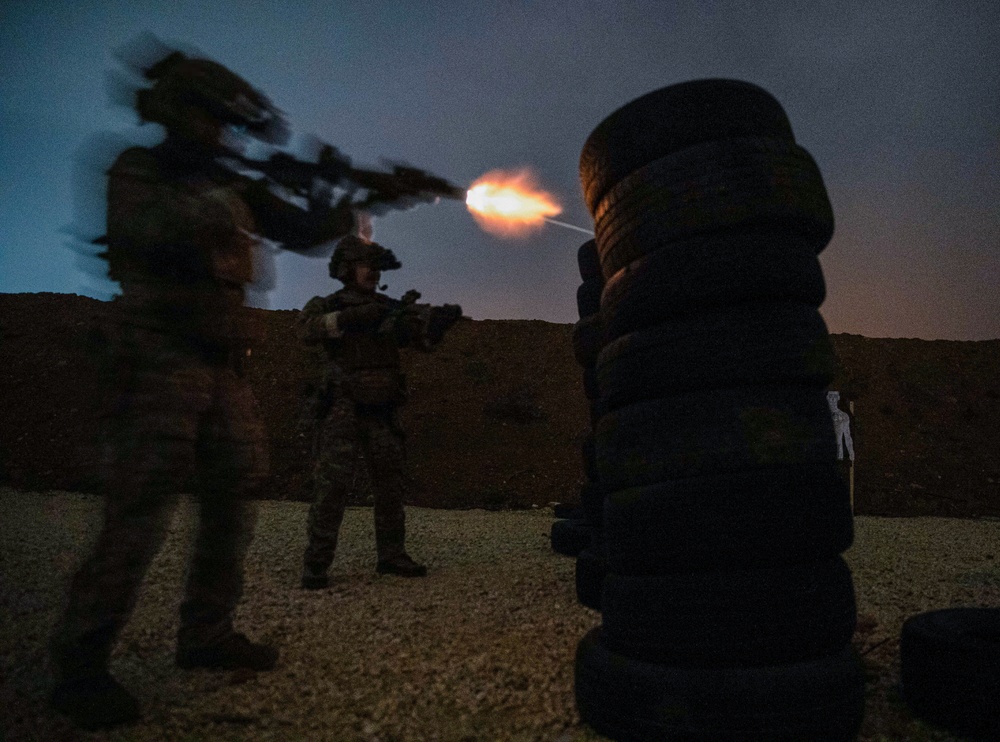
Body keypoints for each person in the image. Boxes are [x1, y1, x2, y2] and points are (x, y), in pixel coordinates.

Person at [50, 48, 355, 730]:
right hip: (157, 354)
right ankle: (80, 661)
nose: (218, 134)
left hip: (221, 362)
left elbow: (301, 230)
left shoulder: (226, 182)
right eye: (206, 119)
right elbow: (146, 232)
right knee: (140, 507)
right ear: (175, 114)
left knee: (234, 494)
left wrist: (340, 204)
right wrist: (225, 197)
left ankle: (206, 634)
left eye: (223, 123)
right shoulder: (138, 169)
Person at [298, 235, 461, 588]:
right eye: (364, 265)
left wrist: (435, 325)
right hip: (343, 408)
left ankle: (391, 555)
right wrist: (351, 319)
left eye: (375, 267)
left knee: (389, 485)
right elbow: (307, 331)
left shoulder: (389, 309)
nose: (372, 272)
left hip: (382, 410)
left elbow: (418, 340)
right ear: (345, 269)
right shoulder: (328, 305)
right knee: (332, 488)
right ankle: (317, 563)